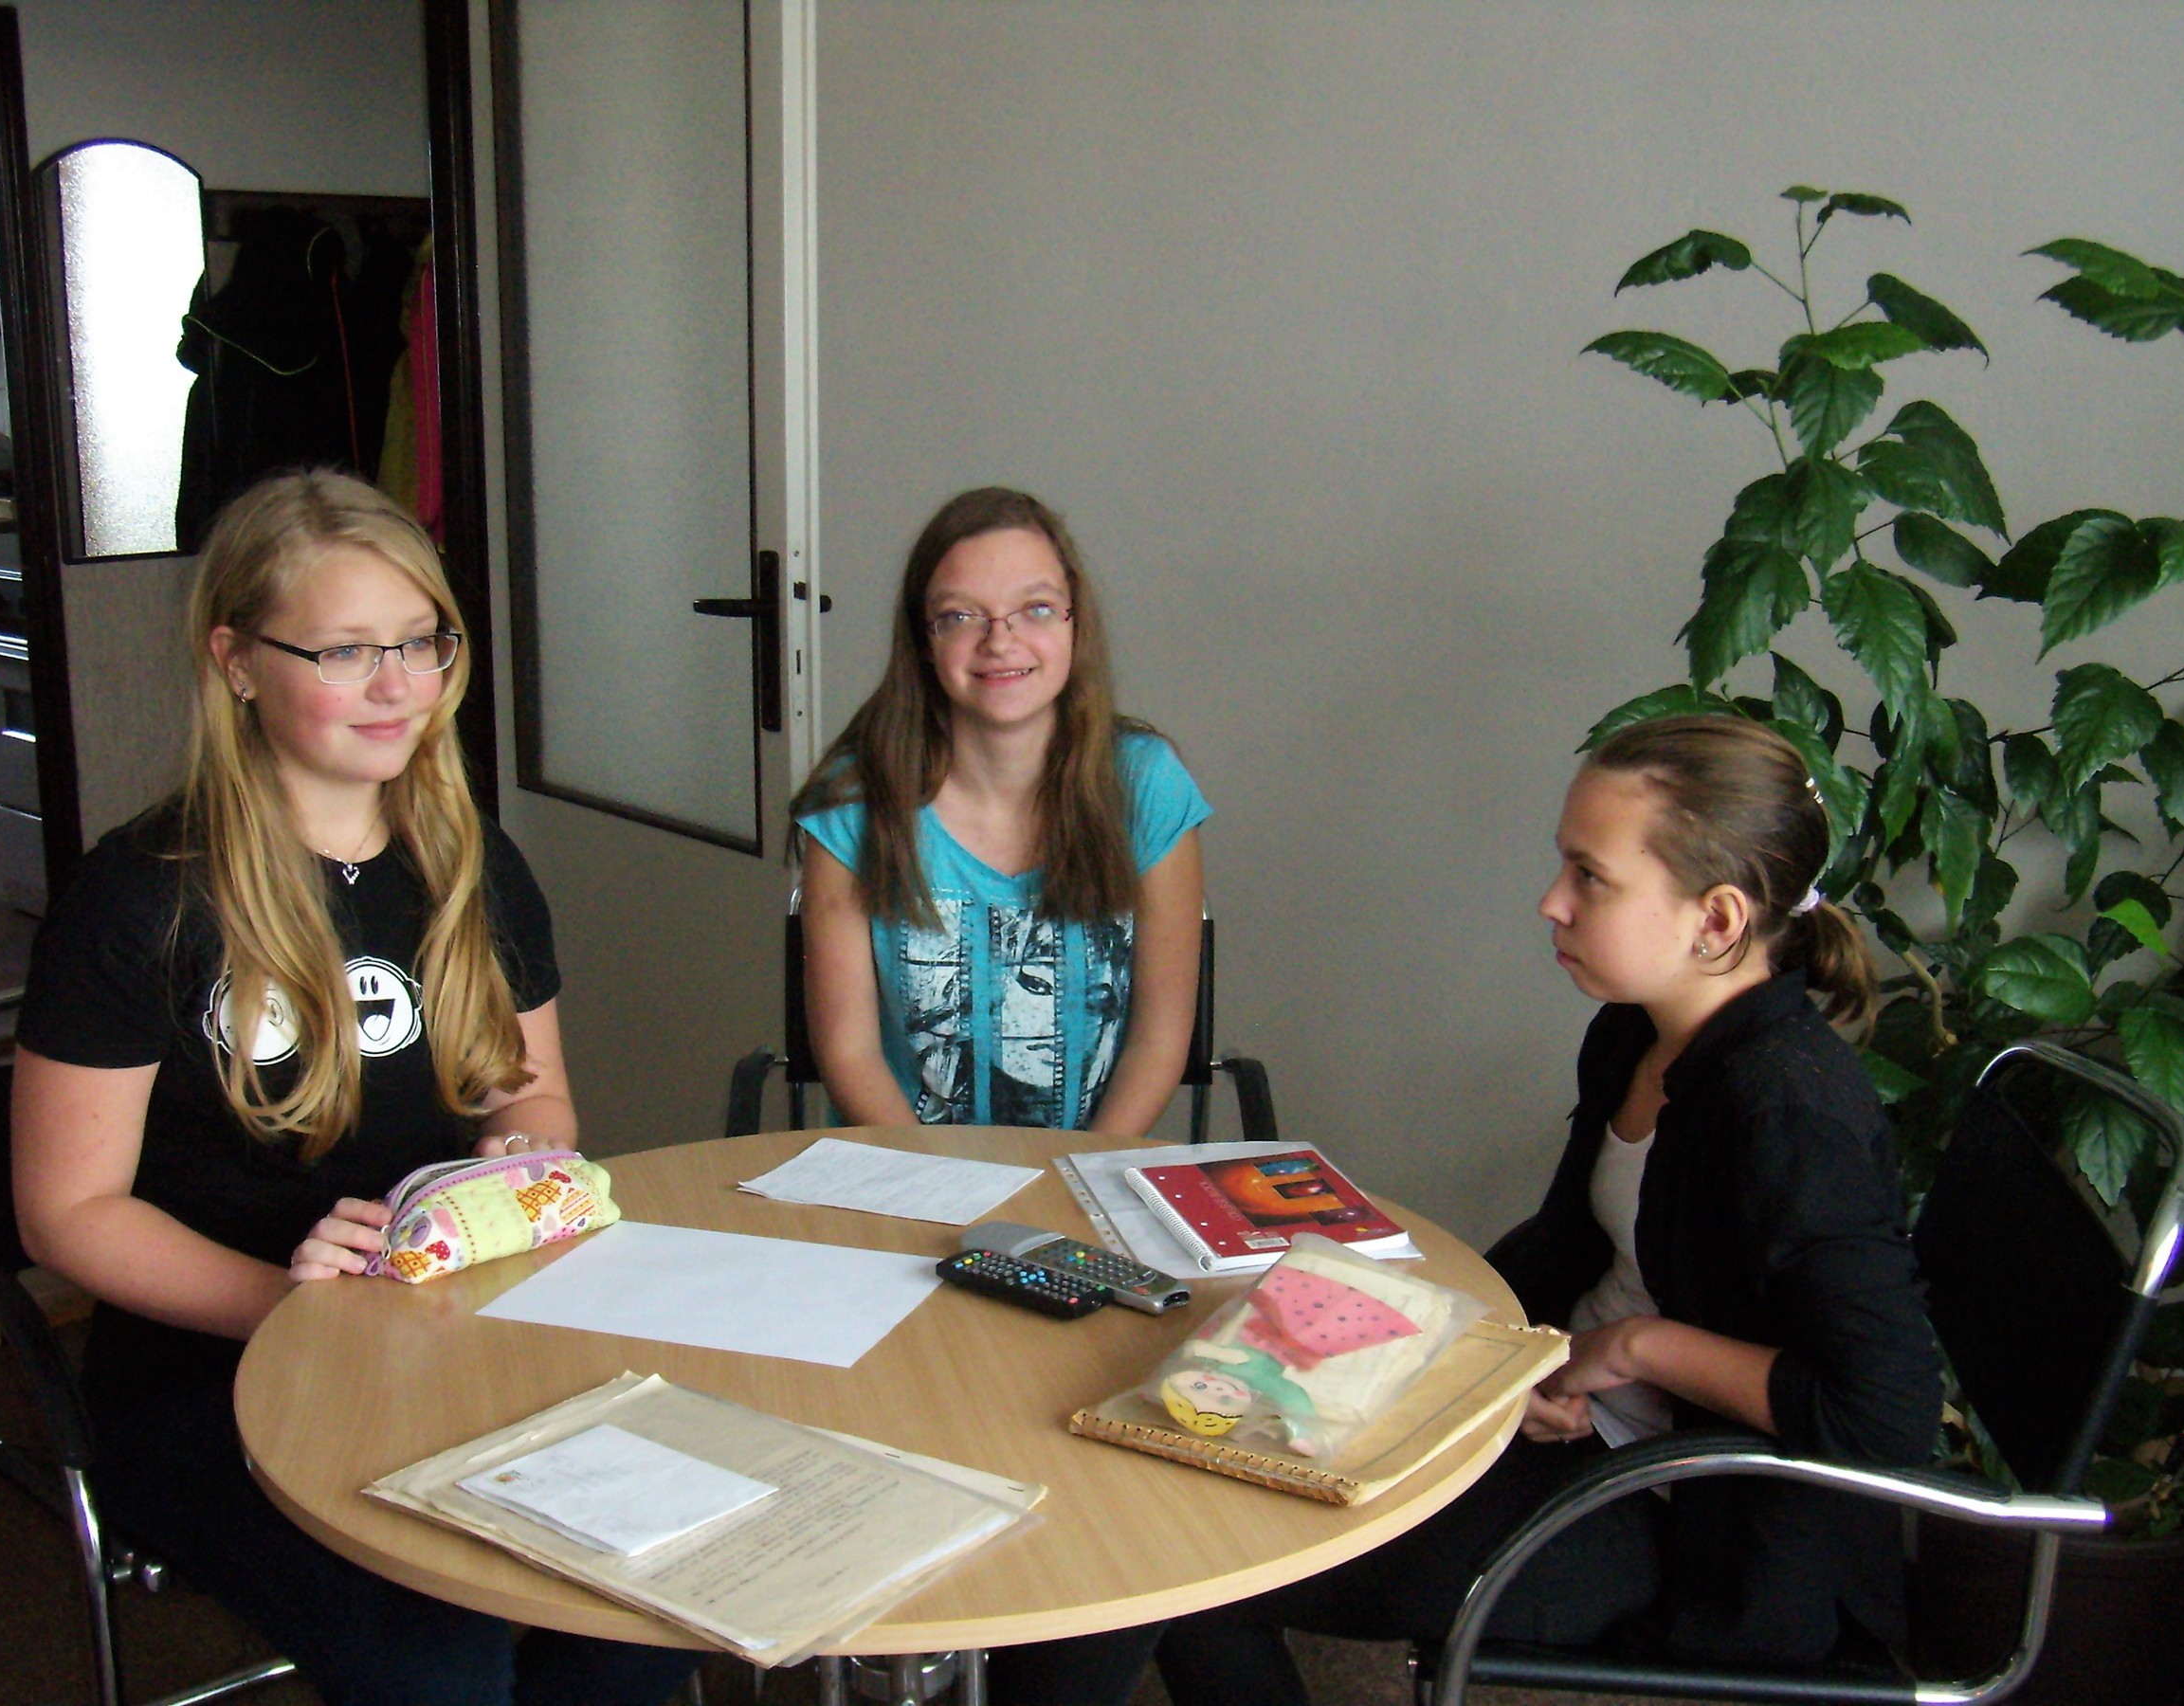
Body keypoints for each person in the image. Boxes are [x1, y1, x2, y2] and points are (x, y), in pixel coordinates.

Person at [9, 471, 702, 1706]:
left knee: (651, 1587)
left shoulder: (471, 862)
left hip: (458, 1338)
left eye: (421, 642)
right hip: (216, 1373)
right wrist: (288, 1305)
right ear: (236, 662)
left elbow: (535, 1102)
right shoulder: (139, 897)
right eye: (343, 651)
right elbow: (67, 1215)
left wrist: (514, 1170)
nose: (398, 687)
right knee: (435, 1652)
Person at [1138, 713, 1940, 1706]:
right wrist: (1471, 1355)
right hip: (1569, 1414)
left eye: (1590, 877)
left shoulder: (1789, 1110)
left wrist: (1635, 1349)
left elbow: (1884, 1416)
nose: (1552, 901)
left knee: (1192, 1571)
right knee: (1195, 1447)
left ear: (1718, 919)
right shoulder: (1633, 1033)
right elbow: (1567, 1247)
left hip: (1687, 1519)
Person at [792, 485, 1210, 1136]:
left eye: (1035, 609)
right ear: (924, 639)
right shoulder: (855, 800)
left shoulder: (1146, 786)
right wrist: (936, 1182)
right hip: (899, 1168)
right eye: (961, 616)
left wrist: (1079, 1175)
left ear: (1074, 622)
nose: (1000, 641)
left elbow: (1158, 1042)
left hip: (1091, 1169)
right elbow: (849, 1053)